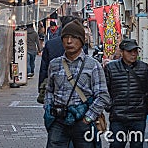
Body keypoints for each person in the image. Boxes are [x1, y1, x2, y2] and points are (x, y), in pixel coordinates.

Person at [44, 20, 110, 148]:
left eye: (74, 37)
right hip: (59, 121)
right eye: (66, 38)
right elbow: (49, 90)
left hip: (82, 121)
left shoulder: (93, 65)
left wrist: (88, 118)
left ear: (81, 41)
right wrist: (49, 110)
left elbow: (103, 95)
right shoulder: (54, 64)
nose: (69, 41)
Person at [104, 39, 148, 148]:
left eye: (135, 51)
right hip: (118, 116)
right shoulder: (111, 68)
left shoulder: (144, 68)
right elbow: (105, 91)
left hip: (138, 116)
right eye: (130, 51)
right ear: (122, 52)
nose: (133, 54)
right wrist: (110, 106)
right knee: (116, 145)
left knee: (137, 145)